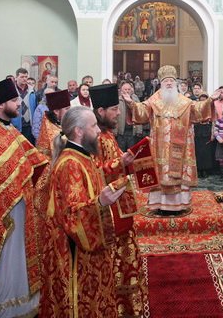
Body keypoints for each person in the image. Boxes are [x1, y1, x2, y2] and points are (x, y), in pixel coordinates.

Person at [38, 106, 127, 317]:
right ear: (79, 131)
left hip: (89, 245)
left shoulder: (83, 156)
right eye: (93, 125)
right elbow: (72, 215)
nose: (98, 130)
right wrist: (101, 203)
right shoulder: (70, 163)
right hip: (75, 253)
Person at [0, 78, 48, 318]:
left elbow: (32, 159)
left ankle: (25, 304)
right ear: (0, 105)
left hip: (21, 206)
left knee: (21, 259)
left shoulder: (8, 129)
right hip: (5, 213)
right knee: (7, 260)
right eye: (14, 100)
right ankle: (5, 310)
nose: (19, 104)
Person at [121, 65, 218, 213]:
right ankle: (159, 204)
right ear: (161, 83)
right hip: (159, 147)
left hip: (181, 147)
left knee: (177, 175)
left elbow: (198, 110)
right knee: (159, 174)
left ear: (176, 83)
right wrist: (130, 103)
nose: (169, 83)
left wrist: (210, 100)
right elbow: (141, 112)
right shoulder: (154, 100)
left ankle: (179, 204)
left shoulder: (184, 101)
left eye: (171, 80)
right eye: (165, 81)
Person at [89, 83, 147, 317]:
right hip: (109, 211)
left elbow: (115, 165)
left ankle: (126, 302)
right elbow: (93, 173)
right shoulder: (95, 138)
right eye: (114, 109)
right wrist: (120, 163)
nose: (119, 112)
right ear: (100, 111)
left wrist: (131, 161)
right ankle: (115, 303)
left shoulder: (108, 135)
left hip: (120, 207)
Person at [35, 89, 71, 160]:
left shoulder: (63, 122)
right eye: (67, 109)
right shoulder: (50, 129)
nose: (70, 111)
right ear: (56, 111)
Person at [11, 68, 37, 144]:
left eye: (26, 77)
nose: (24, 79)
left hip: (29, 125)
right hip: (16, 125)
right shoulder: (12, 90)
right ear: (16, 77)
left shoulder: (32, 91)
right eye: (22, 77)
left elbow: (35, 107)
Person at [116, 80, 143, 152]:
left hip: (132, 131)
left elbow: (139, 114)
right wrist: (115, 131)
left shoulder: (135, 100)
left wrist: (139, 130)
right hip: (121, 132)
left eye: (129, 89)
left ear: (131, 90)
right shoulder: (117, 100)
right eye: (125, 89)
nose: (127, 91)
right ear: (121, 90)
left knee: (131, 152)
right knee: (121, 152)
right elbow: (115, 117)